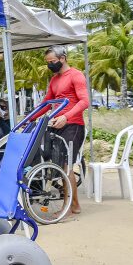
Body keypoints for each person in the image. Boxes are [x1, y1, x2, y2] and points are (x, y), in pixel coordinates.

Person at [29, 45, 89, 215]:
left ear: (62, 58)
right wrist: (30, 118)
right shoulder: (55, 79)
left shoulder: (76, 75)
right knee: (55, 163)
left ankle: (70, 206)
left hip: (73, 125)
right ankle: (74, 204)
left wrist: (66, 117)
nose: (50, 65)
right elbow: (46, 103)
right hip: (56, 124)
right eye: (48, 62)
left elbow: (84, 101)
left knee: (66, 165)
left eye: (52, 61)